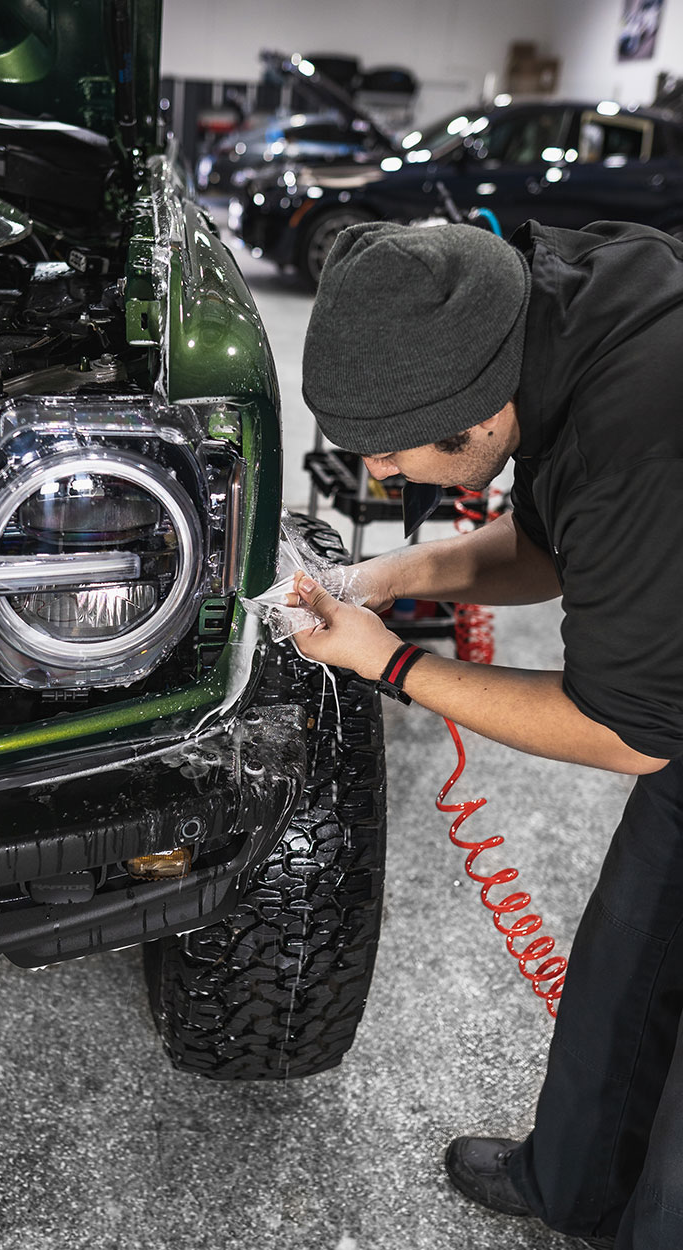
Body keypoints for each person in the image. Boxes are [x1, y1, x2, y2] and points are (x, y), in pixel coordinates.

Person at [293, 218, 683, 1250]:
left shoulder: (642, 434)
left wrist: (393, 664)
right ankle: (575, 1183)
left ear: (474, 416)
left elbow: (626, 732)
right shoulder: (537, 316)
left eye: (390, 451)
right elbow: (555, 539)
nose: (380, 473)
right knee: (628, 957)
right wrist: (369, 582)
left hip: (656, 706)